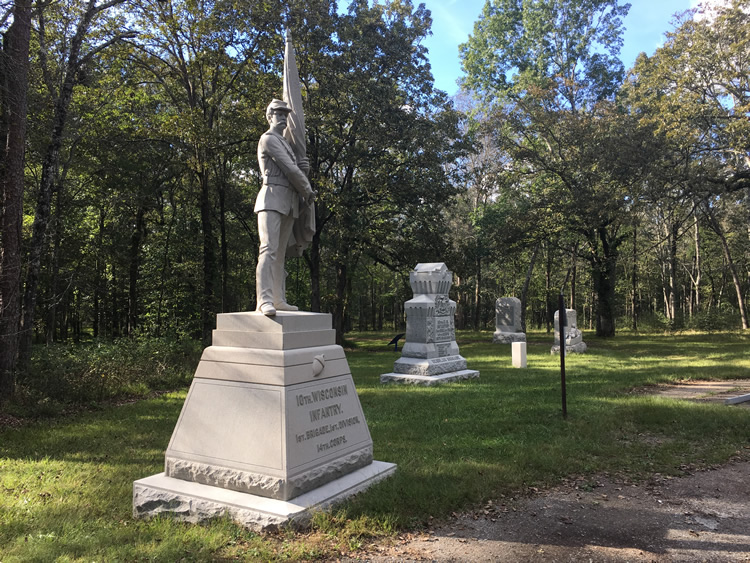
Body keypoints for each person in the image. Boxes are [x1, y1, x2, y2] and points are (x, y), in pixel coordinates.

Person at [255, 99, 316, 316]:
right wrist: (306, 189)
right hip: (271, 198)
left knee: (280, 253)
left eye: (285, 114)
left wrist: (304, 170)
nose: (282, 118)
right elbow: (289, 170)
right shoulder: (269, 139)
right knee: (268, 249)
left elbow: (295, 169)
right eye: (278, 114)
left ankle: (278, 298)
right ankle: (264, 300)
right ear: (269, 116)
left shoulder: (286, 145)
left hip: (288, 201)